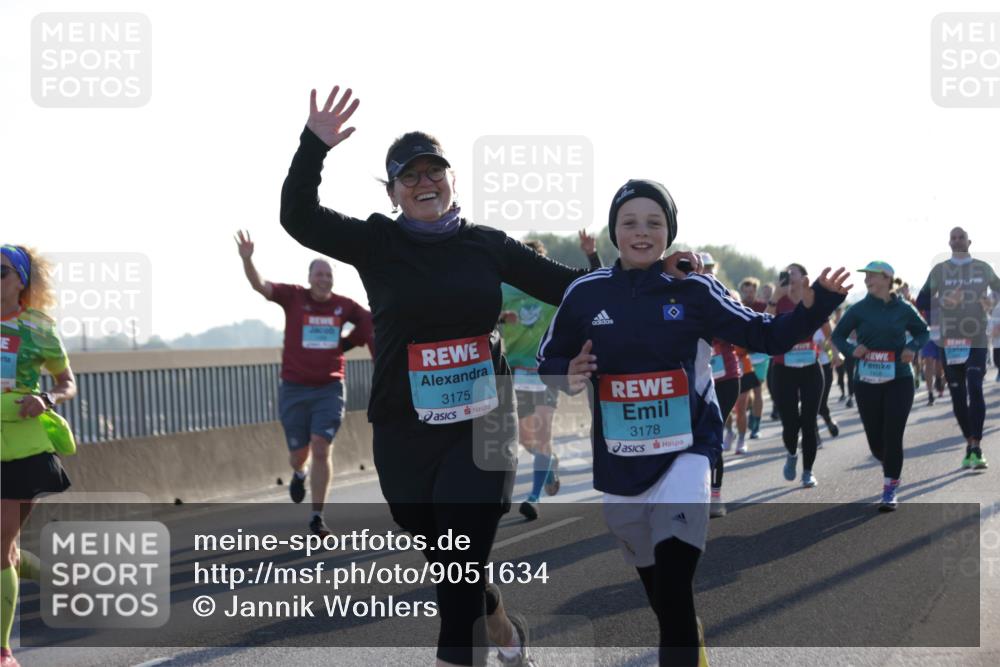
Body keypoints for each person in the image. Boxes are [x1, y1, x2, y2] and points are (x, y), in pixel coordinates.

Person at [279, 86, 701, 667]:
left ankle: (469, 644)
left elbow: (571, 287)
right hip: (405, 425)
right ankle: (500, 624)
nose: (425, 183)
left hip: (485, 422)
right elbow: (297, 216)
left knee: (459, 571)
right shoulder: (377, 242)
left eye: (435, 172)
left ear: (452, 180)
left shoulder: (486, 245)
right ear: (393, 190)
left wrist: (654, 270)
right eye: (410, 177)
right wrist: (313, 146)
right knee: (441, 549)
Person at [537, 179, 848, 666]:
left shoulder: (695, 290)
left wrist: (818, 305)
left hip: (687, 450)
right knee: (661, 593)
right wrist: (567, 372)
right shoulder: (585, 292)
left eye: (654, 223)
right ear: (614, 231)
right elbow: (549, 359)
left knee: (676, 582)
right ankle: (686, 635)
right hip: (620, 462)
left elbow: (764, 336)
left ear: (670, 231)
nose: (642, 232)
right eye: (630, 223)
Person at [236, 230, 373, 537]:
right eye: (319, 274)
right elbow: (260, 285)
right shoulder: (293, 297)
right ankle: (300, 472)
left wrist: (345, 345)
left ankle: (317, 517)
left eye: (328, 275)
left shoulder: (344, 305)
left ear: (332, 279)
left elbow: (370, 322)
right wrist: (248, 259)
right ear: (310, 277)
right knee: (300, 453)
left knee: (322, 447)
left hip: (329, 388)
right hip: (295, 388)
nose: (324, 279)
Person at [2, 245, 78, 667]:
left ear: (21, 282)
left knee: (1, 546)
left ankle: (2, 650)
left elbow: (67, 382)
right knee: (4, 548)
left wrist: (45, 398)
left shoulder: (37, 328)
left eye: (0, 271)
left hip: (23, 448)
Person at [499, 233, 601, 521]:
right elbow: (473, 314)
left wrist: (592, 255)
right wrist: (500, 318)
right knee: (524, 439)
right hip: (515, 373)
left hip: (543, 372)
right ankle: (551, 460)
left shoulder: (554, 288)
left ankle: (534, 497)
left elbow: (596, 285)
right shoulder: (504, 290)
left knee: (542, 434)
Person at [833, 261, 929, 510]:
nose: (867, 280)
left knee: (893, 434)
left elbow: (923, 332)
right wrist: (853, 350)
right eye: (865, 277)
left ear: (887, 279)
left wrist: (912, 348)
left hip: (899, 378)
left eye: (872, 276)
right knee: (876, 441)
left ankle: (890, 488)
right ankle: (891, 466)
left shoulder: (904, 308)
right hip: (866, 381)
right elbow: (837, 336)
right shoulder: (859, 309)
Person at [917, 227, 1000, 470]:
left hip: (975, 337)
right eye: (953, 238)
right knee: (957, 395)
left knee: (975, 385)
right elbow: (922, 301)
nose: (957, 241)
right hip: (950, 340)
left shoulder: (983, 267)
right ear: (949, 243)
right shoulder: (940, 270)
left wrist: (992, 301)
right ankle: (969, 442)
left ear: (969, 241)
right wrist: (943, 301)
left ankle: (976, 445)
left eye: (961, 237)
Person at [766, 264, 827, 487]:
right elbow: (764, 325)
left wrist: (834, 351)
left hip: (810, 367)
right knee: (790, 424)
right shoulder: (779, 300)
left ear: (804, 277)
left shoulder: (810, 298)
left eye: (793, 272)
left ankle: (808, 471)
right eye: (787, 273)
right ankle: (792, 454)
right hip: (783, 369)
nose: (789, 276)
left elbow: (825, 323)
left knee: (809, 422)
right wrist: (775, 296)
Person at [738, 278, 768, 438]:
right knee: (745, 393)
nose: (749, 295)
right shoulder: (736, 305)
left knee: (757, 390)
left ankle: (756, 424)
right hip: (743, 357)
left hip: (760, 356)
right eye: (746, 291)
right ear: (742, 291)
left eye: (752, 292)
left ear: (756, 292)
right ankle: (750, 413)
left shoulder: (762, 307)